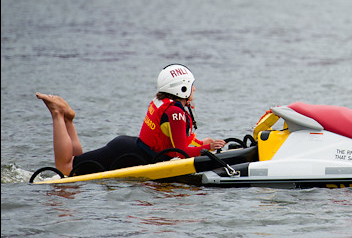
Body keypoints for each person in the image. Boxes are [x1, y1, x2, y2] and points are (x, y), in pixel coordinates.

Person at [37, 64, 225, 177]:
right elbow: (181, 152)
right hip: (128, 153)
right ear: (181, 88)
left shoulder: (166, 103)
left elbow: (178, 143)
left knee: (76, 162)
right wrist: (206, 149)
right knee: (66, 169)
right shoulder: (176, 112)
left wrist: (202, 143)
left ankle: (68, 119)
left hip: (130, 147)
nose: (194, 90)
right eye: (192, 86)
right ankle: (57, 114)